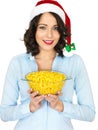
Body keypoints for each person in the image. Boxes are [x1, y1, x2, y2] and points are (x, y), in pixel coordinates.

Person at [0, 0, 95, 130]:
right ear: (34, 30)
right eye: (42, 27)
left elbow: (89, 113)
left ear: (61, 31)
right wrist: (29, 107)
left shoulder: (75, 62)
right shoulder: (17, 63)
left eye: (55, 28)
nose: (49, 35)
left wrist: (61, 106)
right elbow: (4, 113)